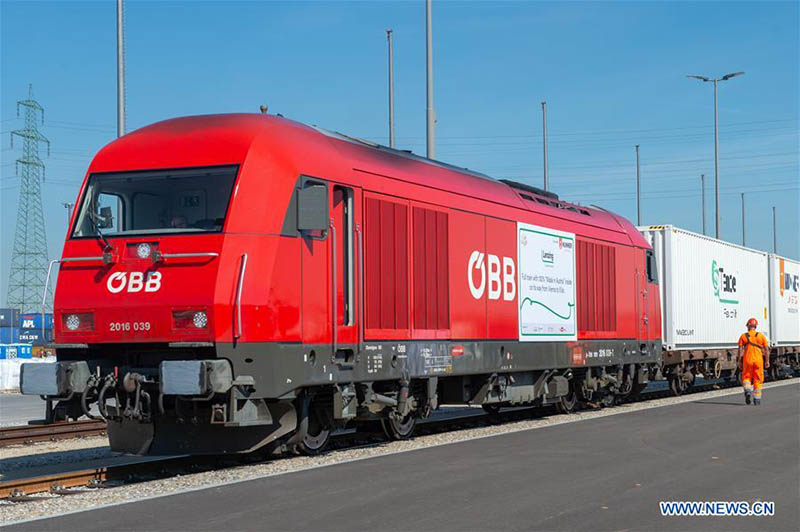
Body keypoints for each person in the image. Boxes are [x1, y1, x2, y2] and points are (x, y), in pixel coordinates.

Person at [737, 318, 770, 405]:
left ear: (748, 326)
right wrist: (767, 361)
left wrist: (739, 361)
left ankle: (747, 390)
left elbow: (740, 350)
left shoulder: (743, 336)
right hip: (758, 361)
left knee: (746, 377)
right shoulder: (761, 336)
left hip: (747, 360)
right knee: (758, 379)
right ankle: (757, 399)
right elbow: (766, 349)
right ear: (755, 326)